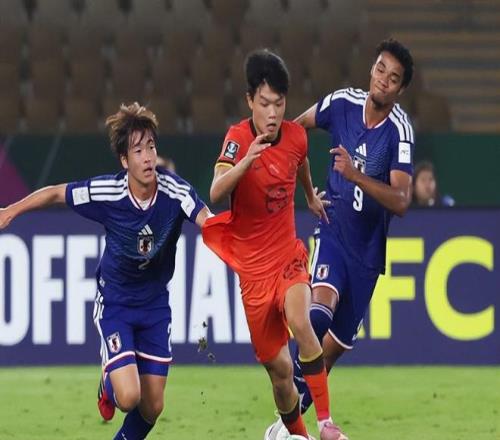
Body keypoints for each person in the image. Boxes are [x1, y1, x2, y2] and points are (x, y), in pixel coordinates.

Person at [0, 103, 211, 440]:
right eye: (138, 151)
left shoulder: (175, 190)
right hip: (116, 303)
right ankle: (108, 380)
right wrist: (11, 211)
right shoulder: (108, 192)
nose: (147, 158)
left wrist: (236, 247)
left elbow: (208, 222)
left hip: (155, 306)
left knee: (153, 407)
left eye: (151, 147)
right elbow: (55, 193)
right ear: (124, 160)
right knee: (129, 398)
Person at [267, 38, 415, 440]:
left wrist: (354, 175)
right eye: (380, 69)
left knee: (328, 355)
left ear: (400, 89)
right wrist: (304, 189)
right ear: (372, 69)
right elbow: (294, 131)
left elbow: (401, 200)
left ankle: (282, 427)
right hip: (333, 231)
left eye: (393, 78)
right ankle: (292, 409)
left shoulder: (399, 131)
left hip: (367, 255)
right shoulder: (343, 103)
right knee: (319, 312)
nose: (383, 80)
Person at [201, 49, 342, 440]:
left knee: (302, 320)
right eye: (264, 103)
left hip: (287, 257)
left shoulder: (296, 136)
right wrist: (247, 161)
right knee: (279, 372)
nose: (273, 112)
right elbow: (215, 191)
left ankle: (326, 423)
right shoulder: (237, 139)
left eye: (279, 104)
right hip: (253, 274)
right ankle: (297, 434)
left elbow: (301, 160)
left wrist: (309, 196)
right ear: (250, 101)